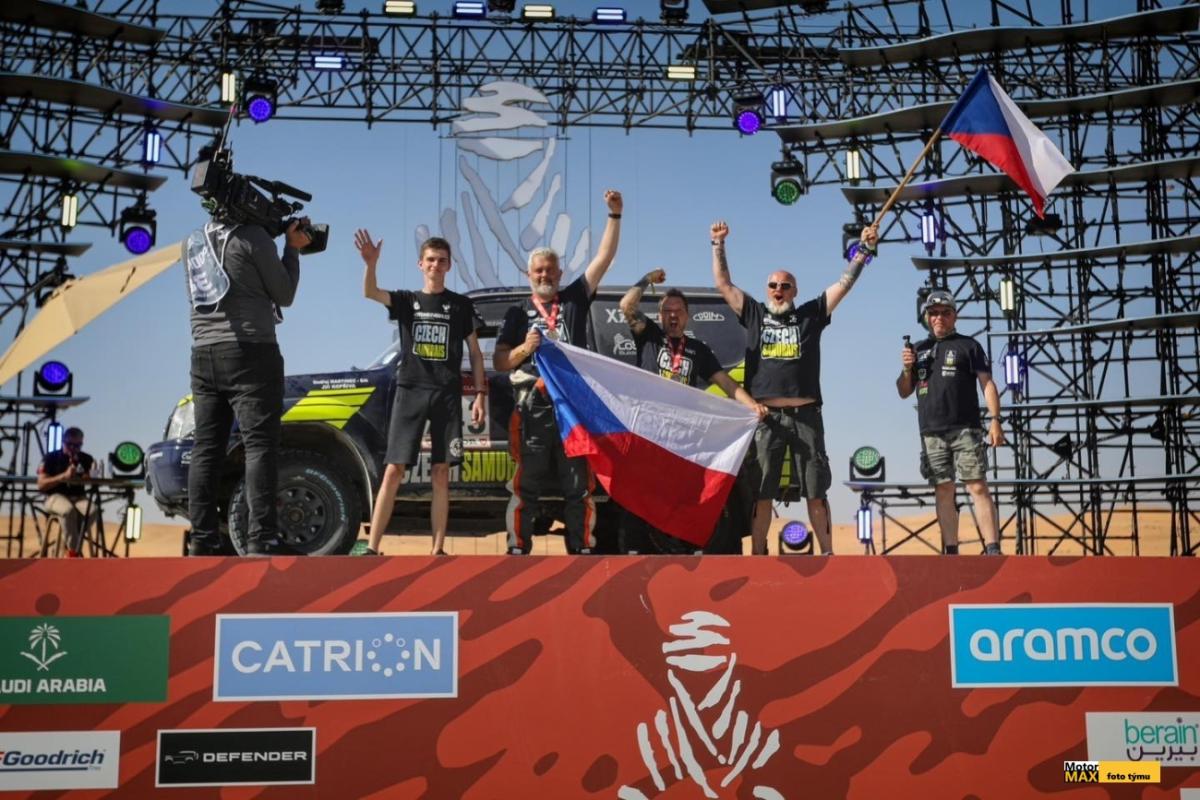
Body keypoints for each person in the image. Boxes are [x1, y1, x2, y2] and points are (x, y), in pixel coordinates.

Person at [711, 220, 878, 556]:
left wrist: (864, 250)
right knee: (762, 493)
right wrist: (718, 244)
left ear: (794, 292)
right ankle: (759, 555)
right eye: (773, 285)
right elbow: (723, 284)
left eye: (785, 286)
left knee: (816, 490)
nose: (778, 290)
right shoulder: (754, 313)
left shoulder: (810, 315)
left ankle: (828, 553)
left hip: (806, 416)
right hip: (766, 418)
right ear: (766, 290)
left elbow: (844, 284)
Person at [494, 189, 623, 555]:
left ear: (559, 273)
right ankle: (518, 547)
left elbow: (603, 258)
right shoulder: (517, 312)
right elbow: (500, 362)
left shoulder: (575, 299)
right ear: (529, 275)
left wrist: (614, 215)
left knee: (578, 484)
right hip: (532, 406)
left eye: (550, 269)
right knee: (526, 484)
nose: (544, 275)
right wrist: (525, 348)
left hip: (571, 408)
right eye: (538, 270)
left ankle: (581, 549)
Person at [185, 216, 311, 556]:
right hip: (251, 351)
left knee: (206, 448)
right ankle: (262, 537)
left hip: (203, 353)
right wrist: (292, 248)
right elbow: (284, 294)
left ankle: (202, 539)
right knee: (259, 446)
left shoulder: (194, 240)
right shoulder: (253, 236)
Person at [354, 232, 486, 556]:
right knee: (394, 469)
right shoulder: (406, 300)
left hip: (447, 394)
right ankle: (372, 547)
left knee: (441, 472)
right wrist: (371, 264)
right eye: (430, 260)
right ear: (420, 264)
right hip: (410, 390)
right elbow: (370, 292)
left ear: (449, 266)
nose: (435, 265)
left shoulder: (461, 305)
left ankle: (437, 549)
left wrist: (480, 394)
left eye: (441, 261)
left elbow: (475, 353)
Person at [618, 269, 768, 552]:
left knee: (684, 492)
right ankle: (633, 549)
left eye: (678, 311)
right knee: (641, 490)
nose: (673, 316)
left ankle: (690, 546)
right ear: (660, 316)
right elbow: (626, 305)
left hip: (681, 435)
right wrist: (647, 279)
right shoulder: (649, 337)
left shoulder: (698, 350)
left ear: (687, 316)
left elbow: (725, 383)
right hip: (649, 431)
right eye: (667, 311)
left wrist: (752, 406)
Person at [896, 290, 1004, 555]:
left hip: (966, 427)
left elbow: (987, 384)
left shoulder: (969, 345)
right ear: (926, 317)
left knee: (976, 484)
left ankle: (992, 548)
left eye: (945, 313)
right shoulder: (917, 349)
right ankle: (951, 551)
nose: (939, 318)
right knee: (943, 489)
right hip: (931, 431)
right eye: (933, 313)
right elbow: (903, 391)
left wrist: (995, 420)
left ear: (955, 316)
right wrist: (906, 368)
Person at [36, 426, 99, 557]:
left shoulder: (86, 459)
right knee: (68, 511)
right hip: (55, 496)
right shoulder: (50, 458)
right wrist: (63, 477)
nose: (73, 448)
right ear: (63, 442)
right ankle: (74, 552)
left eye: (77, 445)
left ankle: (68, 546)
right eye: (70, 444)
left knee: (92, 511)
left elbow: (91, 479)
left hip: (79, 497)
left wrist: (88, 477)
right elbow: (41, 485)